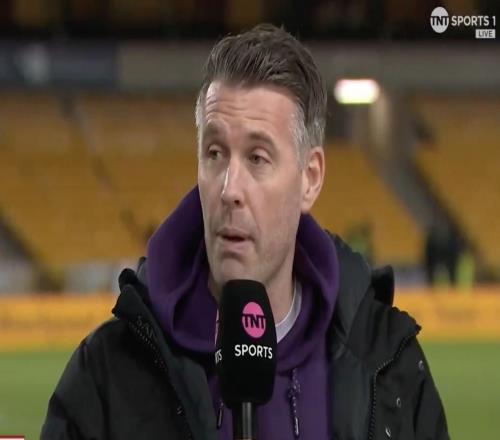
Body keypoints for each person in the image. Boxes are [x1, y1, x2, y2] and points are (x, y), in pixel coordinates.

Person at [41, 24, 449, 440]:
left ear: (310, 178)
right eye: (215, 153)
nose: (229, 189)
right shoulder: (105, 374)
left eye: (257, 157)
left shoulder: (389, 365)